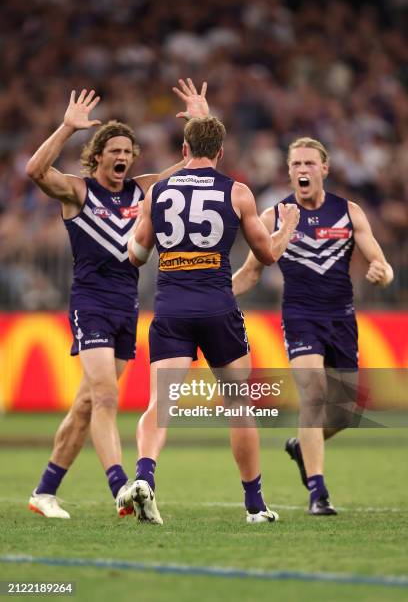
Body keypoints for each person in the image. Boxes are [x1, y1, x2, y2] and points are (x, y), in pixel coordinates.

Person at [26, 79, 209, 519]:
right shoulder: (78, 191)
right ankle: (122, 490)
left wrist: (202, 118)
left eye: (128, 152)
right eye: (115, 151)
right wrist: (67, 128)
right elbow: (34, 171)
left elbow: (191, 168)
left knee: (89, 402)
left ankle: (44, 492)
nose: (123, 157)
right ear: (98, 156)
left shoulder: (143, 191)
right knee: (106, 397)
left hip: (127, 307)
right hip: (89, 304)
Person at [118, 115, 300, 524]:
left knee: (160, 404)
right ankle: (254, 506)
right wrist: (286, 228)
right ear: (220, 152)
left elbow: (137, 256)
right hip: (218, 308)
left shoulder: (159, 191)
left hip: (170, 309)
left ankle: (144, 476)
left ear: (184, 151)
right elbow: (267, 255)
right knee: (240, 406)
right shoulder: (237, 192)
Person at [232, 137, 394, 515]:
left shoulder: (348, 212)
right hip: (301, 318)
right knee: (314, 396)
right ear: (289, 171)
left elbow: (381, 264)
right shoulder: (275, 216)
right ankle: (318, 493)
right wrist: (216, 295)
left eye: (309, 163)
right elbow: (252, 272)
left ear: (325, 169)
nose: (302, 170)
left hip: (342, 319)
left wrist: (381, 273)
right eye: (295, 165)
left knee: (344, 413)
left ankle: (301, 446)